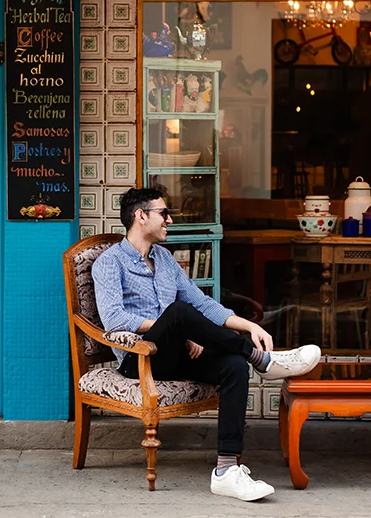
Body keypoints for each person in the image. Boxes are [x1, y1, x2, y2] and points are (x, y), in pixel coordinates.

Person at [92, 187, 322, 502]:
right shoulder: (109, 263)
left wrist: (249, 325)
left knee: (233, 366)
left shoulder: (165, 259)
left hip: (175, 353)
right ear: (140, 216)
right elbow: (115, 319)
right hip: (140, 359)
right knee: (177, 314)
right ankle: (263, 360)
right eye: (163, 213)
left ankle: (227, 469)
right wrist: (177, 329)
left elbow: (202, 305)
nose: (169, 220)